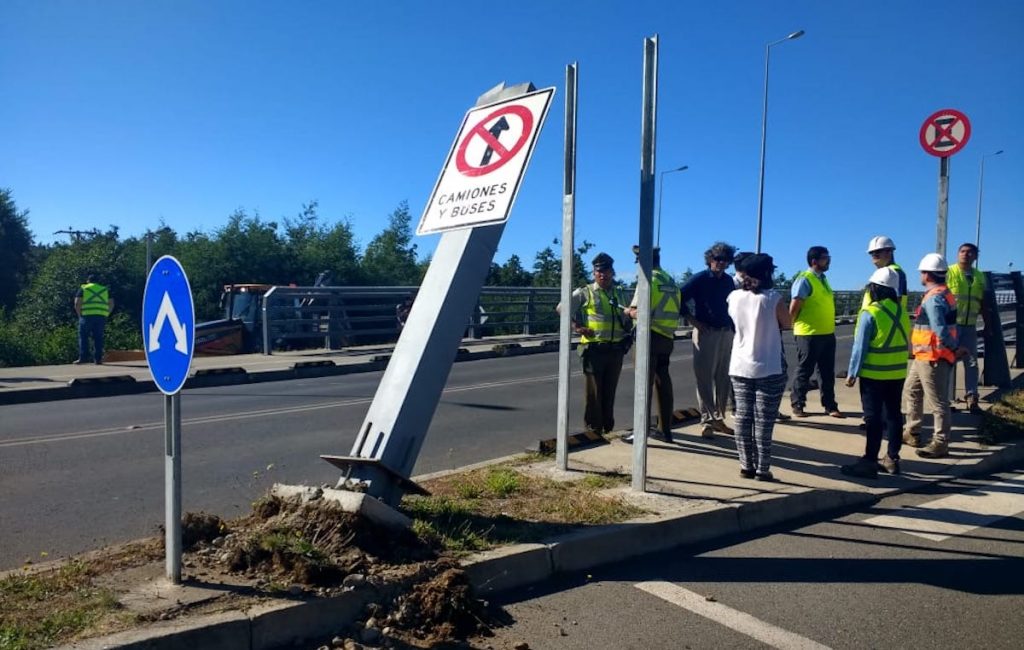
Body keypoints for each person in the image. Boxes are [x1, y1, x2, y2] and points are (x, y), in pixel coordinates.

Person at [726, 253, 791, 481]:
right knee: (764, 420)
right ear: (767, 273)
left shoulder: (733, 297)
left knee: (743, 417)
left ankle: (746, 465)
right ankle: (763, 469)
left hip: (740, 365)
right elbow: (787, 323)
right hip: (770, 364)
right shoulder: (773, 298)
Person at [841, 267, 909, 478]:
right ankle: (892, 459)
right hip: (897, 372)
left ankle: (869, 461)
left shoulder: (870, 312)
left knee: (873, 418)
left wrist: (852, 372)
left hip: (874, 374)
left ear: (874, 289)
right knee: (894, 415)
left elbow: (860, 346)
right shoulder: (902, 312)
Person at [556, 252, 631, 436]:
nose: (603, 275)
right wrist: (577, 327)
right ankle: (593, 429)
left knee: (610, 390)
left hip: (616, 349)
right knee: (594, 392)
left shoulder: (620, 293)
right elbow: (561, 308)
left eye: (606, 272)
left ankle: (607, 426)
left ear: (612, 272)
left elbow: (629, 315)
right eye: (599, 272)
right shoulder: (586, 292)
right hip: (594, 349)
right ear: (594, 273)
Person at [903, 253, 967, 459]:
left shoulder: (933, 299)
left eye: (922, 272)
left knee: (938, 403)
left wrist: (954, 348)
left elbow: (940, 330)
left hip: (933, 357)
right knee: (911, 390)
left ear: (928, 274)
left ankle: (940, 442)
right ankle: (912, 432)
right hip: (923, 356)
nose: (920, 276)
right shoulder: (944, 293)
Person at [624, 246, 681, 444]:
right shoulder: (670, 280)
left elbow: (638, 312)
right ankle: (665, 430)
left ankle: (641, 431)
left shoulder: (648, 280)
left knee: (643, 386)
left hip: (648, 336)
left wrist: (628, 312)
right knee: (663, 382)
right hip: (667, 337)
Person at [680, 242, 737, 438]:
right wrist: (693, 321)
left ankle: (719, 419)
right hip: (706, 332)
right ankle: (707, 422)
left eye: (724, 259)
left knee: (723, 378)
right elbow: (678, 299)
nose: (720, 263)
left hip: (726, 332)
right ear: (710, 259)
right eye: (717, 259)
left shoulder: (729, 281)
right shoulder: (699, 279)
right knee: (704, 379)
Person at [789, 246, 842, 418]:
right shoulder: (805, 279)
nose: (829, 261)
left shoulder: (823, 279)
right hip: (808, 333)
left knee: (827, 372)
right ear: (814, 261)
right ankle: (798, 404)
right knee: (805, 370)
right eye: (825, 258)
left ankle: (830, 405)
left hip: (826, 333)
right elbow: (795, 305)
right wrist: (791, 324)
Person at [946, 242, 990, 412]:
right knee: (947, 361)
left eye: (970, 252)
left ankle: (972, 398)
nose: (965, 254)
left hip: (970, 326)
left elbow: (983, 303)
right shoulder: (950, 272)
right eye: (962, 251)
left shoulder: (979, 276)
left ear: (975, 256)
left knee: (971, 362)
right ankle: (944, 400)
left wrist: (988, 324)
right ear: (958, 254)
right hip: (952, 326)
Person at [74, 274, 114, 365]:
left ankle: (83, 358)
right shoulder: (104, 289)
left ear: (88, 280)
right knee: (98, 338)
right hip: (100, 317)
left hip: (87, 316)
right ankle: (98, 359)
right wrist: (106, 314)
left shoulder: (84, 288)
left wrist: (79, 315)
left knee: (83, 337)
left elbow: (77, 303)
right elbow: (111, 303)